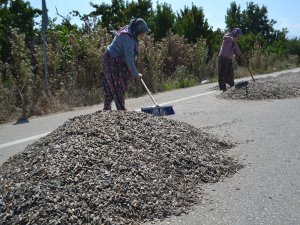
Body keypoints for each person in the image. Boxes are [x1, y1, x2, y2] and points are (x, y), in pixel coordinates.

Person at [102, 18, 149, 110]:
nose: (143, 35)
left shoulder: (131, 33)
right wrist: (136, 73)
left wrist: (134, 72)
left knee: (113, 86)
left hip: (116, 59)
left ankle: (107, 111)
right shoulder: (128, 38)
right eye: (142, 33)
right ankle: (121, 111)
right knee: (117, 86)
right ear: (138, 30)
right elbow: (129, 58)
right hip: (111, 59)